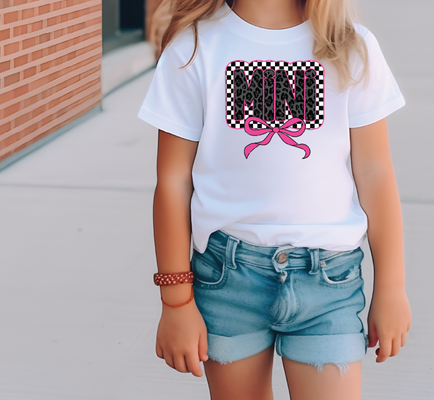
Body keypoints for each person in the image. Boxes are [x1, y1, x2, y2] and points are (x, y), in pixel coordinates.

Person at [137, 0, 411, 398]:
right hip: (228, 280)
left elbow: (375, 173)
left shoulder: (351, 47)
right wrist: (175, 302)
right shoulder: (194, 46)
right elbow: (173, 180)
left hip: (328, 283)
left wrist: (392, 287)